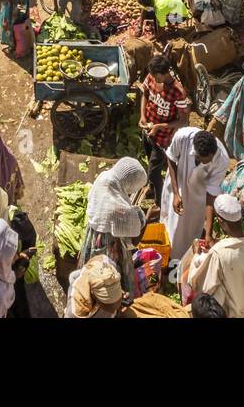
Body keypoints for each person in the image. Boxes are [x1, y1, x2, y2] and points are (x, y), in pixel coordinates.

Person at [180, 193, 244, 317]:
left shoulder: (219, 252)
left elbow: (205, 287)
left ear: (220, 222)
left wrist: (196, 257)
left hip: (231, 312)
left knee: (202, 299)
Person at [80, 157, 151, 295]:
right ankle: (111, 299)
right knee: (108, 279)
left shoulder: (105, 177)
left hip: (94, 236)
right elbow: (134, 239)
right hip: (109, 245)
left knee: (93, 272)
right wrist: (146, 218)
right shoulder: (118, 210)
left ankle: (93, 292)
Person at [162, 127, 230, 264]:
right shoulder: (182, 136)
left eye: (207, 160)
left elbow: (211, 195)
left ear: (213, 153)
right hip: (177, 184)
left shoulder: (222, 160)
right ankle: (167, 258)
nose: (204, 162)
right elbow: (171, 158)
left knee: (190, 231)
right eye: (200, 159)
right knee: (170, 225)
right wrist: (176, 193)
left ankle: (182, 263)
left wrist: (209, 232)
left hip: (198, 195)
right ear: (195, 152)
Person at [139, 54, 189, 203]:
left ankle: (160, 202)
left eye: (156, 76)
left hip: (163, 138)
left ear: (164, 73)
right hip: (148, 131)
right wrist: (142, 116)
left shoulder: (178, 92)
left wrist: (159, 126)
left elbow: (183, 121)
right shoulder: (151, 77)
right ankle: (153, 188)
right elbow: (145, 94)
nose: (153, 79)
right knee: (149, 161)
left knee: (154, 172)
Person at [65, 253, 125, 318]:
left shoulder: (106, 264)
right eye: (107, 306)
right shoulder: (76, 308)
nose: (113, 311)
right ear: (93, 295)